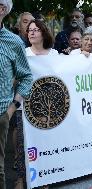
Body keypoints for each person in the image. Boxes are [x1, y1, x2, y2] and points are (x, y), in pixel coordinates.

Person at [14, 19, 58, 189]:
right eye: (29, 30)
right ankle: (20, 179)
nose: (31, 32)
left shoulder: (54, 54)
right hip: (24, 105)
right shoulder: (23, 53)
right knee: (22, 143)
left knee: (45, 143)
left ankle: (44, 178)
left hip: (48, 108)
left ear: (43, 33)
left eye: (36, 30)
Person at [0, 1, 33, 189]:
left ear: (2, 9)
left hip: (1, 113)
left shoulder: (13, 42)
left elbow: (26, 76)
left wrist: (11, 109)